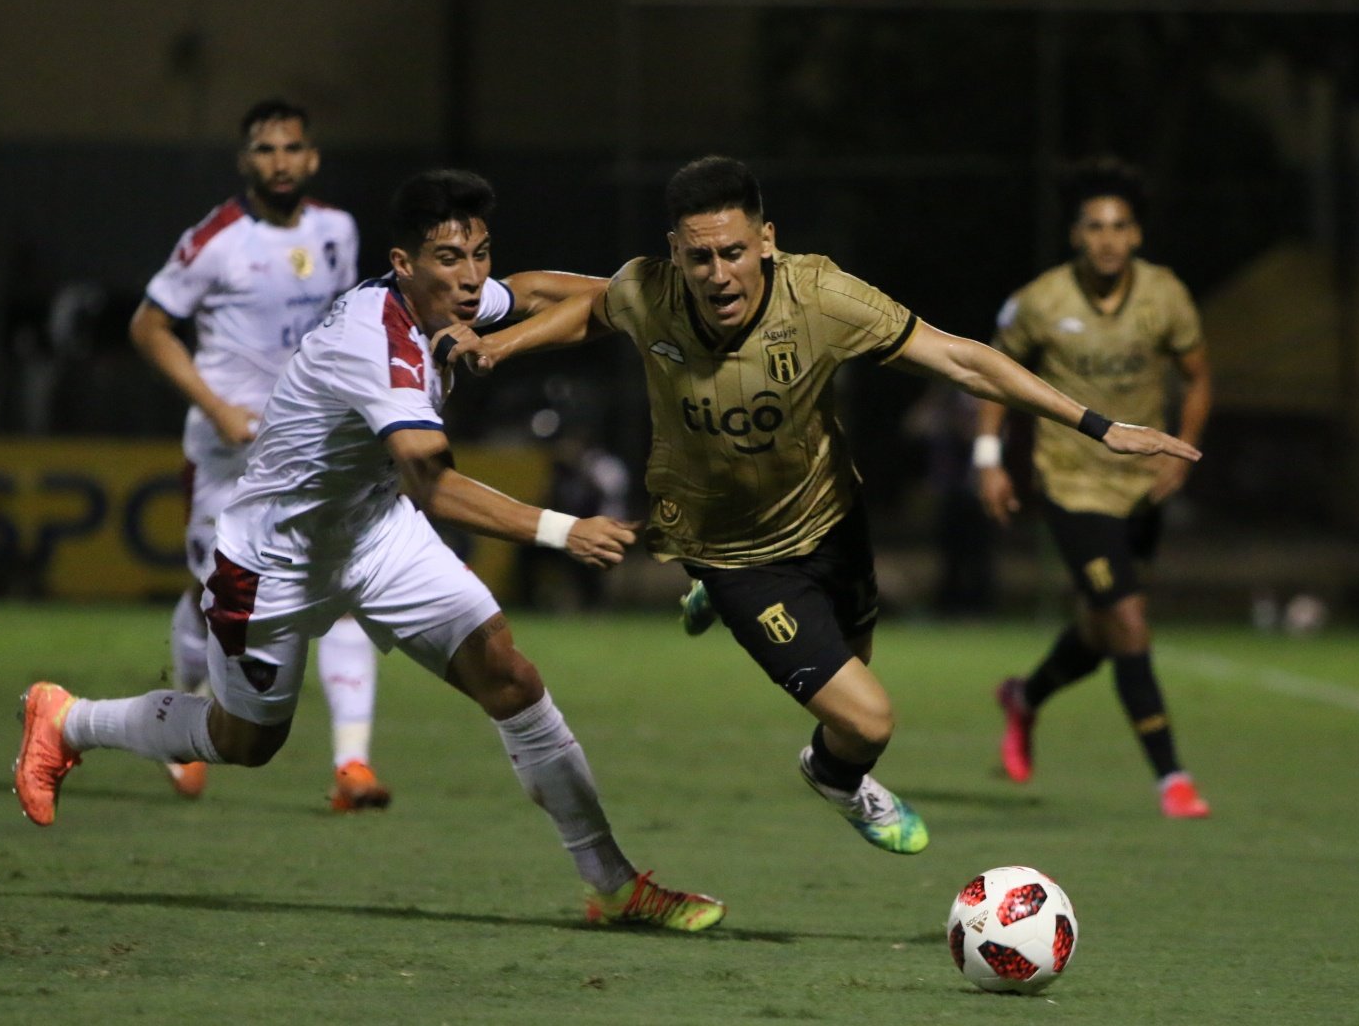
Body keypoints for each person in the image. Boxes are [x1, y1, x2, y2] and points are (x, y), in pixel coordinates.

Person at [15, 168, 723, 931]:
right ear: (405, 261)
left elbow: (575, 298)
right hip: (275, 561)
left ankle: (612, 883)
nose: (471, 276)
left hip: (375, 532)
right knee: (243, 741)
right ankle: (69, 720)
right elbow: (434, 484)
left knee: (511, 678)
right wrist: (561, 529)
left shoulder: (450, 298)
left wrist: (591, 310)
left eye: (480, 254)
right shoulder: (375, 341)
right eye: (450, 259)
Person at [437, 155, 1201, 856]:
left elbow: (961, 357)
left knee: (849, 695)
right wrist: (500, 342)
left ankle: (825, 752)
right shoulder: (652, 292)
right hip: (729, 547)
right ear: (676, 253)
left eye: (733, 252)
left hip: (831, 521)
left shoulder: (822, 297)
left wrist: (1099, 426)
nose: (718, 274)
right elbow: (589, 305)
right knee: (868, 719)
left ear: (766, 240)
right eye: (699, 256)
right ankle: (830, 772)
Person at [129, 98, 387, 809]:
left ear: (312, 157)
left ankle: (352, 765)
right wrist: (218, 408)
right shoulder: (216, 238)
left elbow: (345, 329)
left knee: (335, 594)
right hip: (226, 454)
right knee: (214, 599)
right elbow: (148, 327)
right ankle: (181, 712)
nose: (280, 162)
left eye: (292, 148)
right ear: (246, 160)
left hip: (309, 447)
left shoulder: (338, 230)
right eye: (265, 150)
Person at [974, 157, 1214, 819]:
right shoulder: (1042, 301)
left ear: (1136, 235)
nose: (1108, 238)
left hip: (1142, 490)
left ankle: (1024, 697)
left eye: (1120, 226)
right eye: (1094, 226)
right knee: (1130, 623)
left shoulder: (1166, 296)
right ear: (1076, 235)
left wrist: (1184, 456)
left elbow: (1199, 379)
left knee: (1100, 627)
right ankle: (1173, 778)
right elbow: (993, 376)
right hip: (1072, 485)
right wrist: (989, 459)